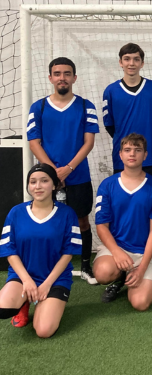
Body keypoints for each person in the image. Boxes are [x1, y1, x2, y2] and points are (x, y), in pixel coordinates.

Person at [27, 57, 99, 285]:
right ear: (50, 78)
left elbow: (88, 142)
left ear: (74, 78)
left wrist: (67, 169)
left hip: (77, 175)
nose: (62, 78)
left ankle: (86, 266)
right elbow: (34, 142)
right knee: (48, 219)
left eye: (67, 73)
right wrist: (51, 172)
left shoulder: (86, 106)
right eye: (57, 73)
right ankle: (47, 267)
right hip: (47, 178)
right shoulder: (37, 107)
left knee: (82, 220)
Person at [0, 164, 82, 337]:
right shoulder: (16, 212)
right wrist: (27, 281)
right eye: (33, 182)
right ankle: (24, 302)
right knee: (2, 308)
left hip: (55, 279)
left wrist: (46, 285)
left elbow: (68, 253)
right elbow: (9, 250)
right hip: (22, 277)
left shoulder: (67, 214)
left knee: (44, 330)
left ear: (54, 185)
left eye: (44, 181)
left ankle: (45, 304)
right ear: (28, 186)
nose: (38, 186)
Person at [92, 134, 152, 309]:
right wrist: (116, 252)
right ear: (120, 154)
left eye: (138, 150)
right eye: (128, 150)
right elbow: (102, 226)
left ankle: (136, 274)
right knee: (102, 273)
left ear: (145, 155)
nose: (132, 154)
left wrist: (141, 267)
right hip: (117, 250)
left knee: (140, 303)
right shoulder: (107, 185)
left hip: (144, 254)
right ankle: (120, 276)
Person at [102, 43, 152, 179]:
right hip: (122, 160)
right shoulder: (110, 91)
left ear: (142, 63)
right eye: (127, 59)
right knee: (123, 199)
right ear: (120, 62)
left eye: (136, 59)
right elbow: (109, 125)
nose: (131, 63)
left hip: (150, 158)